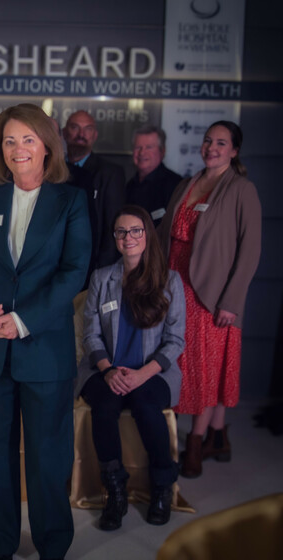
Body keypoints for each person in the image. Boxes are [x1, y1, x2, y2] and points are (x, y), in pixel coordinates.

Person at [0, 103, 91, 560]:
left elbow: (74, 272)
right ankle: (1, 547)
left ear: (47, 145)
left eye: (28, 139)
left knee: (47, 460)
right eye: (9, 141)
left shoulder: (70, 202)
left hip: (44, 350)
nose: (18, 149)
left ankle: (53, 547)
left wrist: (21, 319)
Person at [159, 120, 262, 478]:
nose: (212, 147)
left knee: (205, 371)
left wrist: (231, 300)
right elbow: (165, 232)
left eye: (221, 142)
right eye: (207, 141)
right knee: (182, 366)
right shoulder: (188, 184)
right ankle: (218, 435)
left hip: (212, 296)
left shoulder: (241, 189)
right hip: (175, 287)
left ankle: (197, 443)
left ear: (234, 150)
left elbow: (250, 250)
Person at [76, 205, 185, 530]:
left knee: (145, 404)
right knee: (105, 406)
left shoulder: (170, 280)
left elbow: (175, 340)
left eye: (136, 230)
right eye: (121, 231)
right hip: (104, 368)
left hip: (153, 372)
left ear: (147, 235)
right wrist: (108, 370)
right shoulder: (102, 278)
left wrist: (141, 374)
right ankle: (115, 489)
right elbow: (91, 332)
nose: (128, 237)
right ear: (115, 237)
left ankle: (162, 485)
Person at [63, 110, 126, 286]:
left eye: (88, 129)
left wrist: (101, 276)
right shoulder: (53, 171)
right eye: (75, 127)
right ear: (64, 132)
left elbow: (112, 228)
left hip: (93, 271)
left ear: (95, 135)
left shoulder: (110, 173)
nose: (81, 134)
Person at [125, 125, 182, 227]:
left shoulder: (176, 185)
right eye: (138, 147)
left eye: (149, 147)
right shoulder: (129, 185)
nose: (142, 153)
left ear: (162, 151)